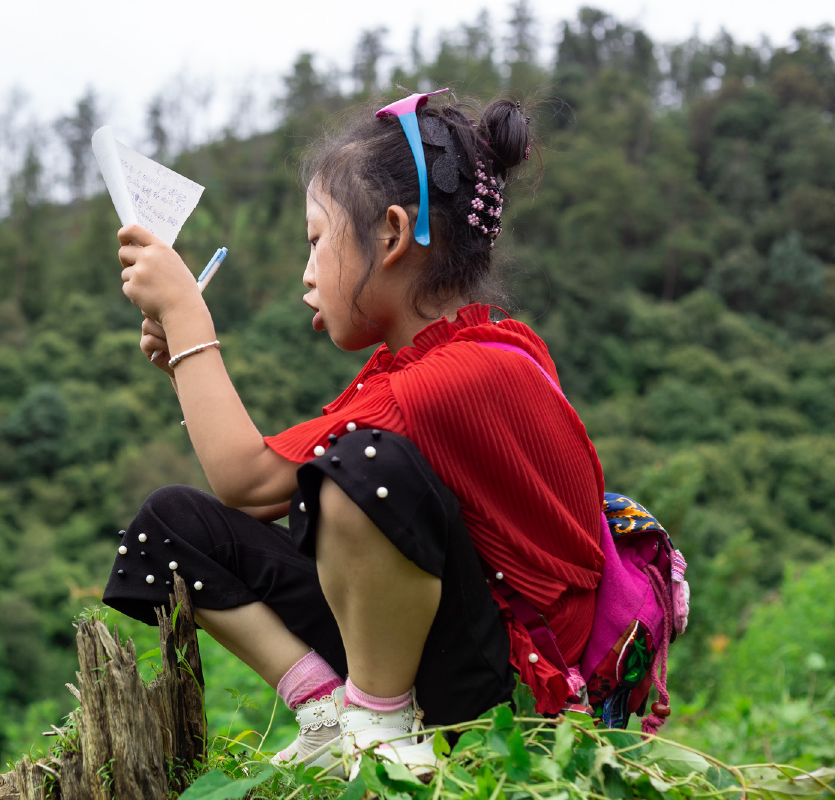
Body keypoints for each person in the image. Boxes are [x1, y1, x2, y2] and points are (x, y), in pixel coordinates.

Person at [102, 90, 605, 776]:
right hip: (431, 638)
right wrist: (184, 367)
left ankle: (379, 724)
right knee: (167, 526)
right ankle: (326, 711)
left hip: (507, 693)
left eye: (316, 241)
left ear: (392, 235)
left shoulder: (453, 380)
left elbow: (249, 480)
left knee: (362, 470)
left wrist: (189, 317)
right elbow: (255, 483)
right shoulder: (419, 365)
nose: (307, 274)